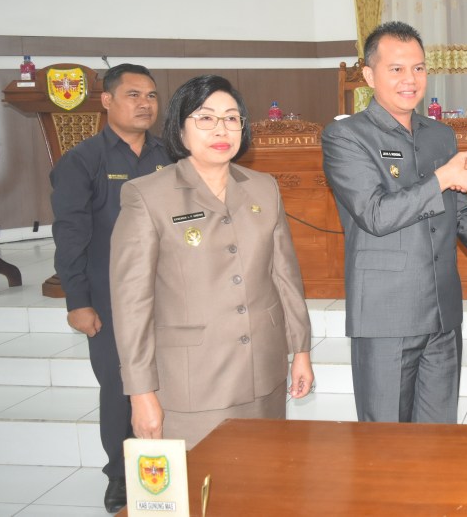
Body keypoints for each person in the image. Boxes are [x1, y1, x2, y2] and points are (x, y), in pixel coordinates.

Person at [321, 21, 467, 424]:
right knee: (386, 445)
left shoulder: (441, 136)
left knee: (440, 442)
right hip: (386, 316)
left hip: (442, 313)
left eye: (419, 68)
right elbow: (374, 214)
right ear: (370, 75)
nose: (410, 80)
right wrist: (443, 177)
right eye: (397, 69)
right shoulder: (346, 137)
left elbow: (460, 212)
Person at [110, 75, 313, 449]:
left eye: (232, 118)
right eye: (205, 118)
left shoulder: (263, 187)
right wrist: (140, 392)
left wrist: (300, 350)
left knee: (264, 485)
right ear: (180, 130)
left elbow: (284, 276)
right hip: (192, 383)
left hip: (262, 372)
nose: (222, 129)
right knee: (204, 496)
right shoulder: (146, 196)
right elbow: (131, 304)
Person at [50, 63, 170, 513]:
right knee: (122, 390)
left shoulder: (170, 154)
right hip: (110, 299)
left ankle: (173, 463)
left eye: (152, 96)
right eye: (134, 95)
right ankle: (120, 477)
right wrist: (77, 301)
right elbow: (71, 236)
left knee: (170, 383)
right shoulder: (82, 162)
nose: (145, 104)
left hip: (168, 296)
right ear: (106, 100)